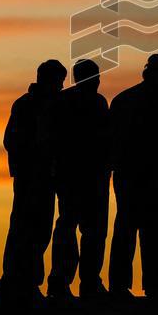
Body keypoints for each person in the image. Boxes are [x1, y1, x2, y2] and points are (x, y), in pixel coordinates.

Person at [0, 59, 68, 309]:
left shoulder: (51, 105)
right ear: (47, 80)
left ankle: (29, 283)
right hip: (30, 178)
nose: (60, 86)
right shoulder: (26, 105)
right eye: (58, 81)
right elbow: (11, 140)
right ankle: (17, 281)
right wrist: (34, 159)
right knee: (25, 228)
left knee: (40, 230)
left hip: (44, 178)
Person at [107, 53, 158, 297]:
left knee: (137, 229)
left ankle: (131, 284)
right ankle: (144, 283)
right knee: (142, 229)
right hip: (144, 175)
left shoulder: (125, 100)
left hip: (140, 175)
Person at [46, 59, 111, 300]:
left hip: (87, 176)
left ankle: (85, 282)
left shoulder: (91, 101)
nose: (96, 81)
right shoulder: (75, 103)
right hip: (77, 176)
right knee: (73, 228)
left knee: (85, 229)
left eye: (97, 76)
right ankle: (65, 282)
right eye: (93, 76)